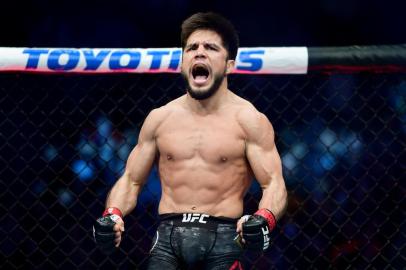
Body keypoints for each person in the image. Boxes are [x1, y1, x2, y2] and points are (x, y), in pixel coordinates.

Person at [93, 12, 288, 269]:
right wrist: (112, 214)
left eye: (210, 47)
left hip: (224, 238)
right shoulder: (160, 119)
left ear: (229, 65)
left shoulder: (249, 120)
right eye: (192, 48)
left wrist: (264, 218)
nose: (199, 52)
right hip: (167, 239)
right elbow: (131, 179)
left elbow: (274, 184)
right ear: (182, 63)